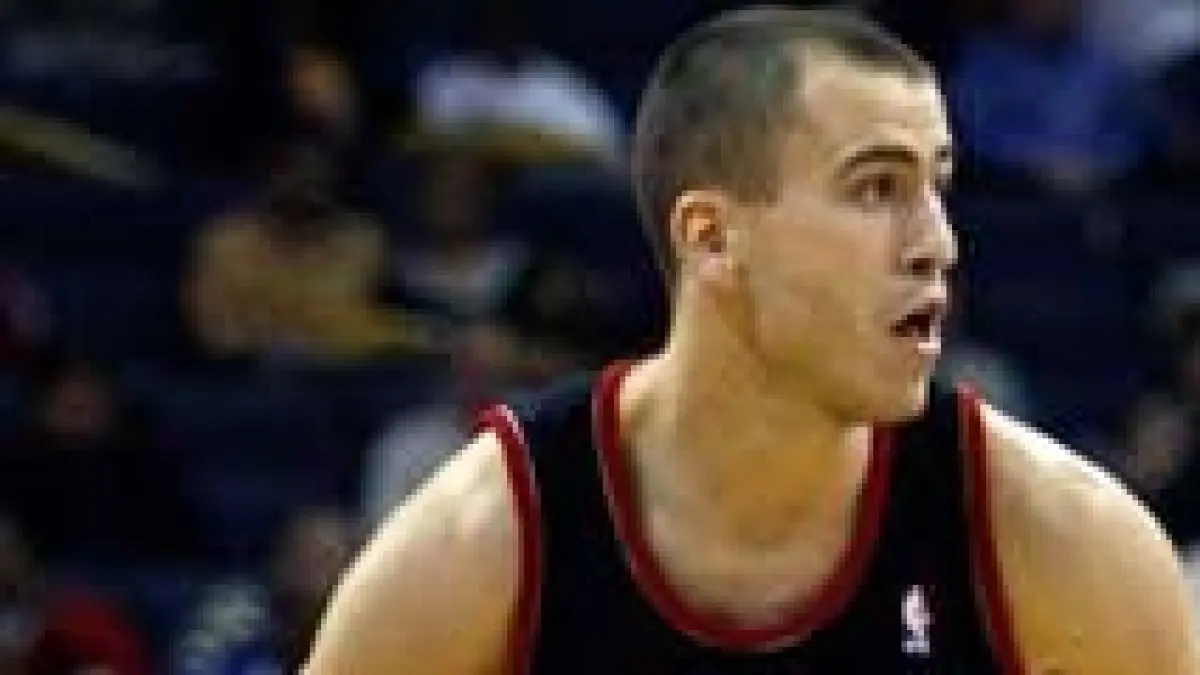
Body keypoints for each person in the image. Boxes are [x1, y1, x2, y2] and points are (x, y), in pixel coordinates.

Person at [303, 7, 1199, 674]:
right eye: (876, 188)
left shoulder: (1056, 535)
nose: (937, 242)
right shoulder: (485, 542)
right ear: (711, 238)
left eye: (938, 186)